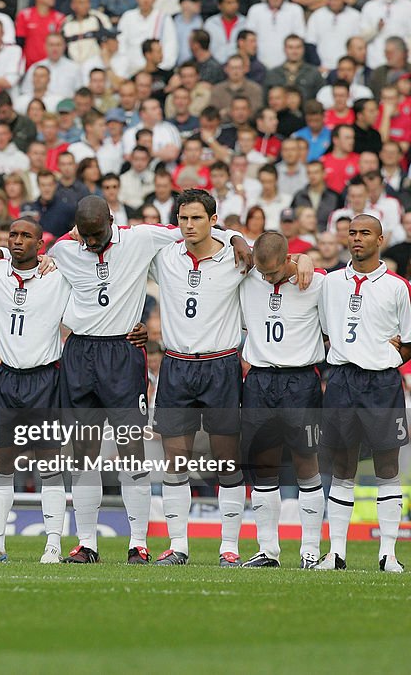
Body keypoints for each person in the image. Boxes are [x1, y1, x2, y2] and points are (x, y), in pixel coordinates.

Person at [47, 195, 249, 564]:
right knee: (84, 453)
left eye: (98, 234)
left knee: (134, 453)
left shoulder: (141, 239)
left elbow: (194, 230)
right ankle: (87, 542)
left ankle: (139, 542)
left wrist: (236, 236)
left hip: (124, 355)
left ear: (112, 219)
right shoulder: (63, 249)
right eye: (85, 235)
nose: (92, 243)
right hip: (80, 355)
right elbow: (30, 255)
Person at [150, 189, 309, 566]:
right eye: (183, 218)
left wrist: (303, 257)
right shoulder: (163, 255)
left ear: (213, 219)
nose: (189, 226)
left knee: (227, 461)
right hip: (175, 364)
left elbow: (278, 255)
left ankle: (229, 547)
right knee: (175, 460)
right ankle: (178, 545)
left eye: (197, 219)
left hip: (221, 366)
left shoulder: (240, 257)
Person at [0, 217, 70, 564]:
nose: (18, 240)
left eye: (26, 236)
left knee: (49, 463)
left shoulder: (59, 275)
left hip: (45, 378)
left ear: (41, 244)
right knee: (1, 462)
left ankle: (53, 544)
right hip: (7, 378)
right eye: (13, 235)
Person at [315, 214, 411, 573]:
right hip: (341, 379)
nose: (356, 238)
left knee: (387, 466)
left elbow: (410, 341)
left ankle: (387, 554)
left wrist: (386, 356)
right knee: (343, 467)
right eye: (352, 232)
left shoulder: (398, 287)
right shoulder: (330, 283)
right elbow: (323, 329)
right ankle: (336, 552)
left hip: (382, 383)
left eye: (364, 233)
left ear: (380, 240)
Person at [238, 231, 325, 569]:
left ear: (290, 258)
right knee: (263, 466)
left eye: (273, 272)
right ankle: (267, 549)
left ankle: (310, 549)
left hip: (300, 380)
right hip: (259, 380)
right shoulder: (249, 279)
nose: (267, 277)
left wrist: (308, 259)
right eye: (262, 271)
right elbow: (223, 237)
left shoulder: (317, 283)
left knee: (307, 463)